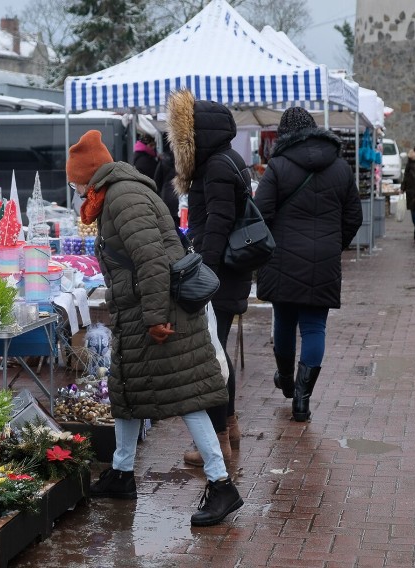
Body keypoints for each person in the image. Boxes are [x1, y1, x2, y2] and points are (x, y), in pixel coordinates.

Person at [67, 129, 243, 527]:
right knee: (127, 389)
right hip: (142, 312)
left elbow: (150, 261)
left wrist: (154, 317)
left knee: (187, 396)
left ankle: (221, 484)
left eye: (75, 180)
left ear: (90, 174)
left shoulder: (124, 198)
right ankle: (122, 473)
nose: (74, 188)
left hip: (161, 313)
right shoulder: (115, 195)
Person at [253, 107, 362, 422]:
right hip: (324, 261)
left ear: (284, 134)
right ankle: (302, 400)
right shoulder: (341, 168)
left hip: (282, 259)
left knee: (285, 323)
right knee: (315, 327)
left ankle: (286, 381)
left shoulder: (278, 166)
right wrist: (333, 244)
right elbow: (354, 216)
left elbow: (261, 215)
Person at [166, 89, 252, 465]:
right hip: (229, 273)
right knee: (218, 352)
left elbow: (216, 227)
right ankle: (229, 426)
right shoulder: (227, 160)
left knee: (211, 357)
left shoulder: (216, 166)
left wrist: (203, 277)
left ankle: (217, 441)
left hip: (219, 276)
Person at [153, 141, 179, 227]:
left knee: (170, 225)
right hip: (180, 196)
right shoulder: (184, 161)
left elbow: (157, 181)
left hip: (166, 196)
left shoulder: (163, 160)